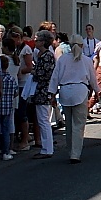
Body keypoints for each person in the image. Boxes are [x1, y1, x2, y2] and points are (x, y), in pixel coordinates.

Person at [48, 34, 98, 164]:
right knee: (78, 125)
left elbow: (55, 77)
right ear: (81, 46)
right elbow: (93, 78)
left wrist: (52, 94)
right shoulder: (86, 60)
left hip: (65, 92)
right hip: (80, 92)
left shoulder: (63, 59)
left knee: (69, 124)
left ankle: (71, 151)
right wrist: (97, 92)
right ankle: (75, 153)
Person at [30, 30, 57, 159]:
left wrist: (34, 72)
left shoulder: (47, 56)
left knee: (43, 120)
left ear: (43, 42)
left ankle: (47, 149)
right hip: (42, 90)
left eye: (37, 40)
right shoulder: (44, 55)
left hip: (43, 90)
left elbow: (45, 74)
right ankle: (46, 148)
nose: (35, 42)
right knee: (43, 120)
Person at [0, 54, 17, 161]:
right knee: (6, 129)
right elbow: (15, 92)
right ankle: (6, 151)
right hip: (7, 107)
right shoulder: (11, 79)